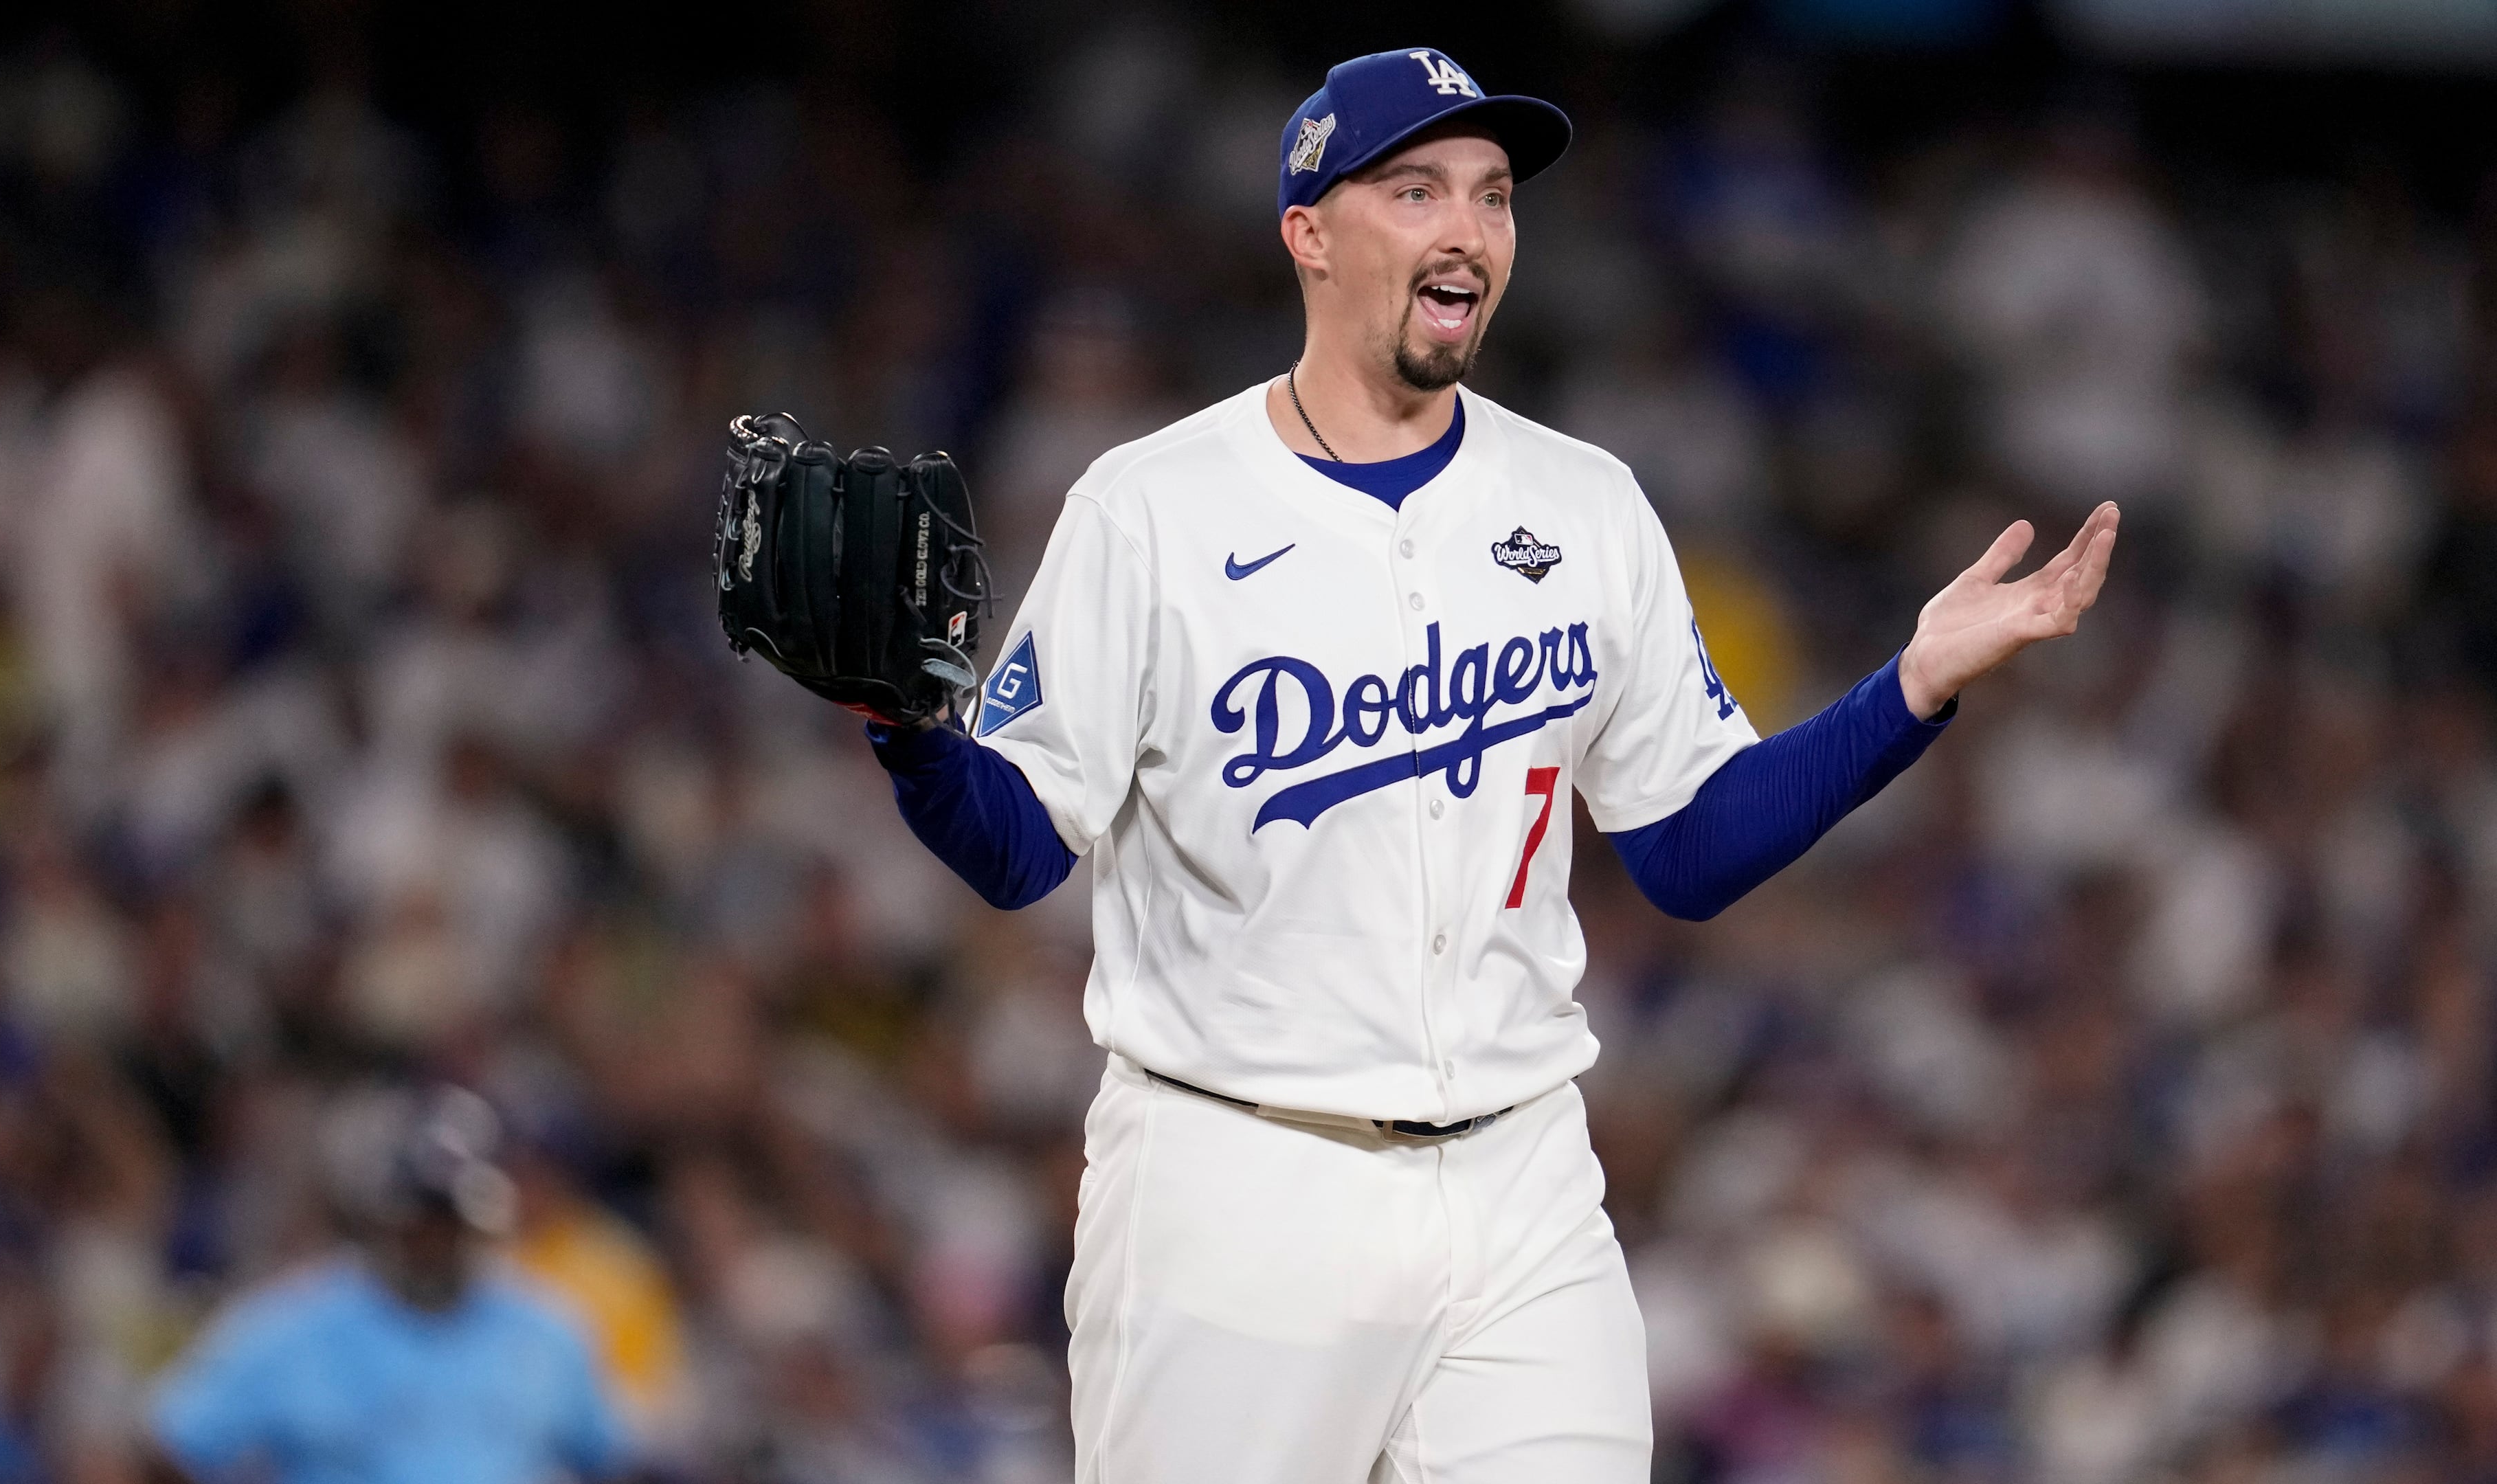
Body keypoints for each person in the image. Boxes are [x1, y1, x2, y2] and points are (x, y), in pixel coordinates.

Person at [853, 46, 2116, 1484]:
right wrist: (909, 732)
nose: (1467, 228)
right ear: (1310, 234)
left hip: (1524, 1183)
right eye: (1417, 191)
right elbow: (1023, 848)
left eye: (1494, 195)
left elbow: (1690, 849)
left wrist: (1910, 689)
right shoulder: (1151, 509)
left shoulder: (1584, 503)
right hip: (1239, 1180)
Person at [144, 1086, 629, 1484]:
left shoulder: (545, 1330)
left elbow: (609, 1459)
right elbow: (172, 1446)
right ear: (381, 1222)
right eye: (418, 1224)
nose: (434, 1242)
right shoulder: (292, 1323)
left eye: (449, 1224)